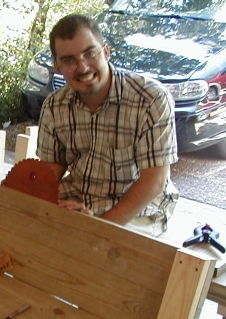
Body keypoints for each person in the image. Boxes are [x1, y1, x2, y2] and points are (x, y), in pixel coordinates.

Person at [37, 13, 179, 237]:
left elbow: (154, 182)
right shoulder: (54, 106)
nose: (83, 67)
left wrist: (97, 228)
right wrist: (42, 204)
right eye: (69, 60)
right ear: (58, 66)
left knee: (90, 252)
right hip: (78, 200)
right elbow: (50, 172)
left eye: (90, 53)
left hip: (138, 211)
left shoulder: (151, 99)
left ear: (105, 52)